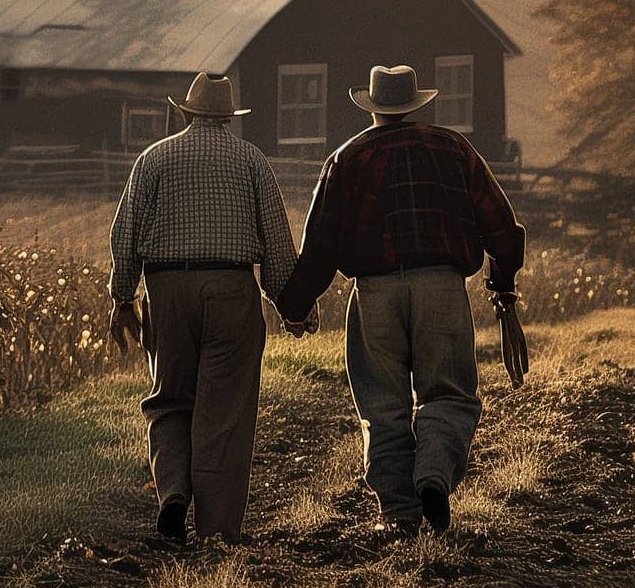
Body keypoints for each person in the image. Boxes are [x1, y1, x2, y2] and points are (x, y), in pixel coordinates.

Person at [277, 64, 524, 535]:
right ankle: (432, 473)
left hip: (375, 294)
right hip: (442, 288)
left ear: (372, 108)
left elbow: (321, 245)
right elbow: (501, 225)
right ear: (416, 104)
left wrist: (295, 304)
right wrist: (502, 281)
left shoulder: (347, 159)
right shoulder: (454, 148)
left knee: (382, 406)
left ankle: (398, 515)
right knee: (449, 394)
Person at [108, 71, 308, 544]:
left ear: (186, 112)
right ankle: (217, 531)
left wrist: (122, 299)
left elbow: (125, 236)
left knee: (169, 400)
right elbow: (278, 243)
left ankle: (173, 494)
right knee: (224, 412)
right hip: (231, 288)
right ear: (228, 117)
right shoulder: (251, 160)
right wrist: (292, 306)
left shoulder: (153, 159)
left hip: (166, 289)